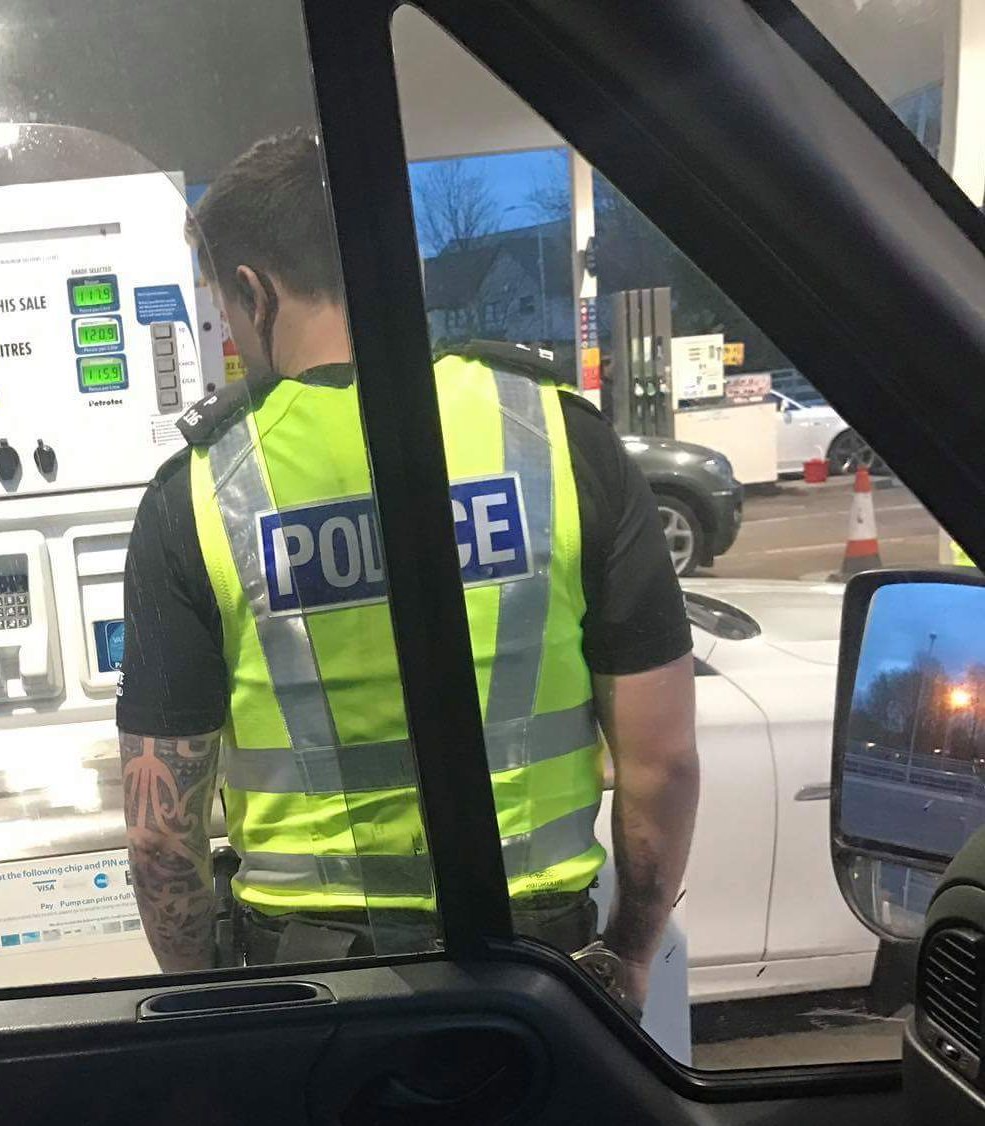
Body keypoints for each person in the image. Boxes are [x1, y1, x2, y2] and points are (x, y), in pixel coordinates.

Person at [116, 130, 699, 1011]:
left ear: (251, 290)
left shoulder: (198, 494)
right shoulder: (556, 439)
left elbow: (163, 839)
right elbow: (662, 763)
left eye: (224, 312)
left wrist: (212, 1012)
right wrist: (628, 954)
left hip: (310, 987)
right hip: (533, 968)